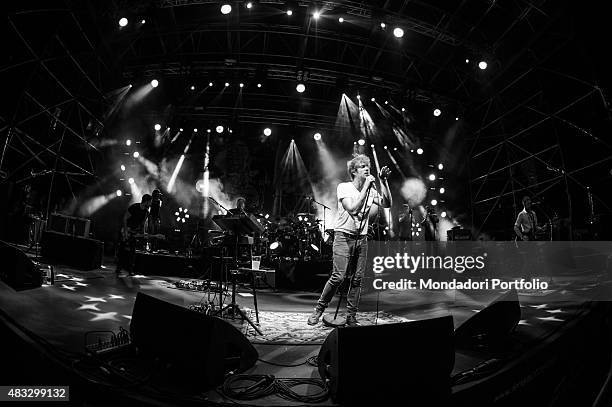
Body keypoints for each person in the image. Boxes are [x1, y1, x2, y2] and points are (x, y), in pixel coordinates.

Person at [308, 155, 391, 327]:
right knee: (338, 276)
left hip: (362, 238)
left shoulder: (371, 191)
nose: (367, 168)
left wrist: (383, 182)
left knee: (357, 279)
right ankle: (319, 309)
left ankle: (351, 316)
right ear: (354, 171)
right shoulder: (344, 187)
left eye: (367, 166)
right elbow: (353, 208)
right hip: (343, 236)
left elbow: (387, 203)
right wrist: (366, 186)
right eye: (362, 166)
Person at [116, 194, 152, 274]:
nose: (151, 204)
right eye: (150, 202)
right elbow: (125, 218)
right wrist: (125, 231)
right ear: (146, 201)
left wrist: (143, 234)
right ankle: (119, 268)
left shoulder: (146, 212)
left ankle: (130, 270)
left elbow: (142, 225)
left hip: (134, 232)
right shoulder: (134, 207)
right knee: (122, 250)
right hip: (126, 230)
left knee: (132, 251)